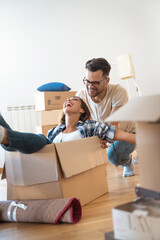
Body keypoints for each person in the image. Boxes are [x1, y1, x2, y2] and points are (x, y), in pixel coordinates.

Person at [0, 96, 135, 154]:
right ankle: (4, 135)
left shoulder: (89, 127)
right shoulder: (54, 131)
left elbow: (119, 134)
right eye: (67, 100)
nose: (69, 100)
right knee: (40, 141)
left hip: (69, 165)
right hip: (48, 160)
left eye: (74, 99)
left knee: (42, 140)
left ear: (82, 110)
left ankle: (4, 135)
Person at [76, 58, 136, 177]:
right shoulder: (80, 96)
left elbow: (114, 126)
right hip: (106, 133)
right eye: (87, 81)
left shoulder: (118, 91)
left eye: (95, 83)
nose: (90, 86)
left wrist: (104, 141)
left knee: (113, 157)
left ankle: (127, 161)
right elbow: (81, 125)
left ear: (107, 80)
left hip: (129, 133)